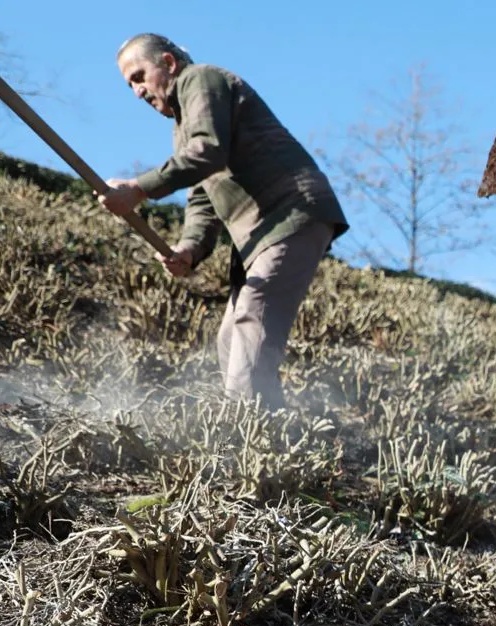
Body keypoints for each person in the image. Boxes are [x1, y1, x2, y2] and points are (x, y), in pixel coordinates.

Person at [98, 34, 348, 409]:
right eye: (129, 84)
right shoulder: (184, 125)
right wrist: (189, 248)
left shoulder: (202, 80)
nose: (137, 92)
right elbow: (203, 195)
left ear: (167, 62)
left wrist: (138, 189)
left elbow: (207, 153)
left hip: (288, 213)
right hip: (260, 233)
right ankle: (266, 432)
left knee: (253, 318)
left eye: (138, 76)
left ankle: (253, 436)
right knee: (231, 339)